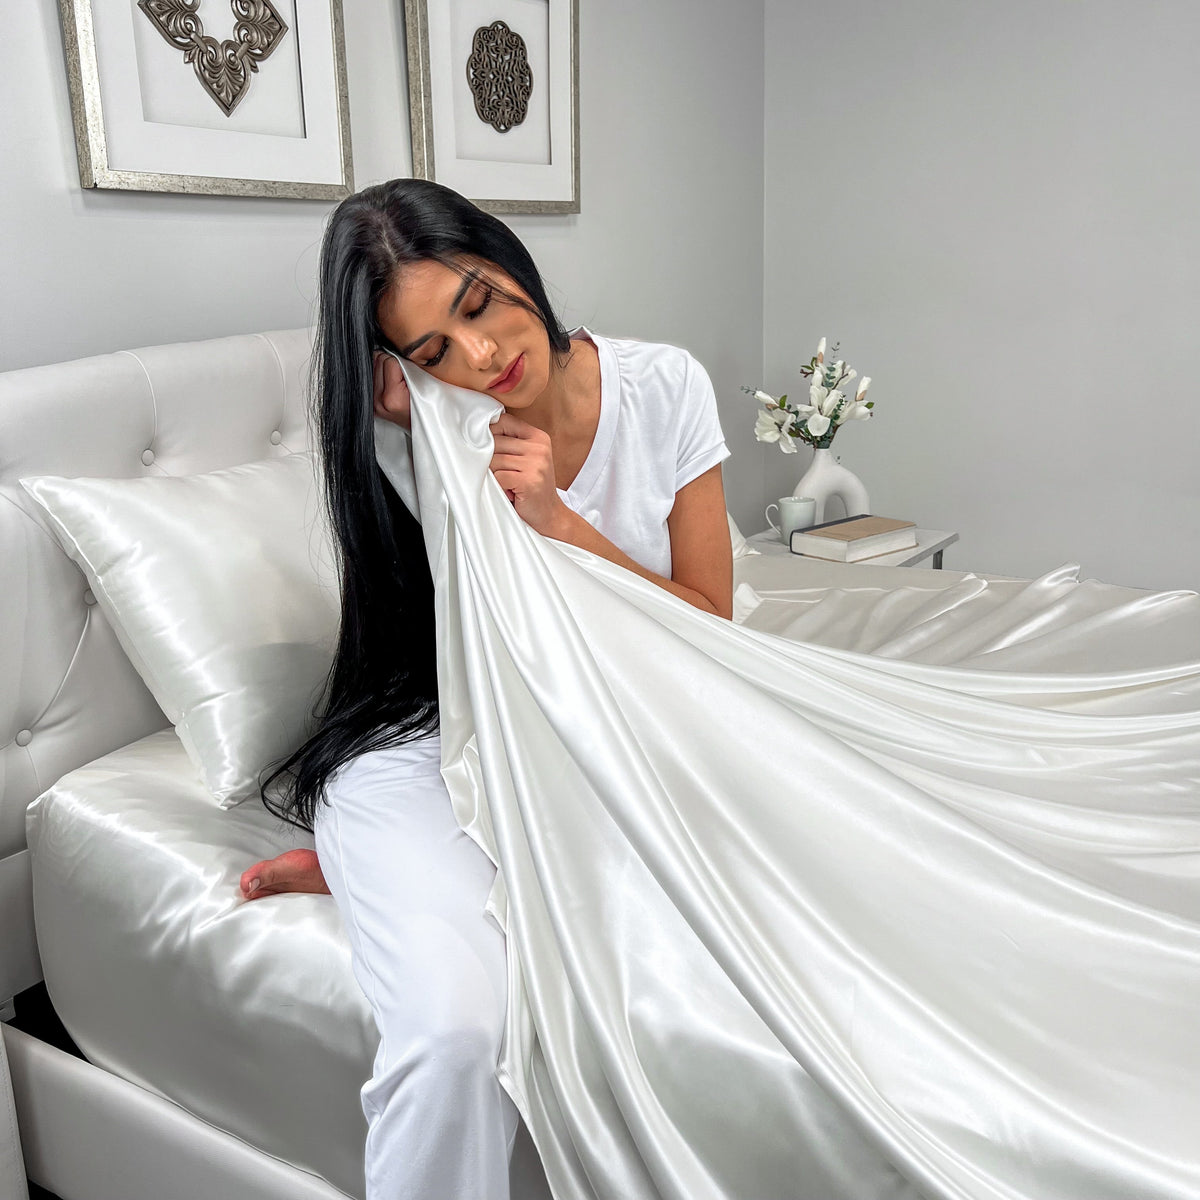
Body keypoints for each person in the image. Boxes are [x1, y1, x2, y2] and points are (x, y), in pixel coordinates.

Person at [243, 177, 734, 1199]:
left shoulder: (663, 385)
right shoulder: (437, 422)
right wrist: (402, 433)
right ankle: (374, 851)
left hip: (609, 723)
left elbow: (708, 627)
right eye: (432, 355)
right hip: (449, 731)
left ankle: (375, 862)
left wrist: (560, 521)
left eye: (478, 304)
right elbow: (464, 662)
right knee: (456, 1033)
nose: (481, 359)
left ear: (504, 256)